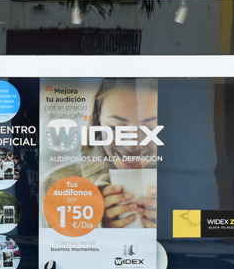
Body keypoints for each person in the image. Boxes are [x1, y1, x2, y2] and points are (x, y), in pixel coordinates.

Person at [42, 78, 158, 228]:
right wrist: (94, 228)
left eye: (149, 128)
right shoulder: (60, 183)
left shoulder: (185, 182)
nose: (132, 146)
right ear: (99, 121)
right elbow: (56, 243)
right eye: (116, 127)